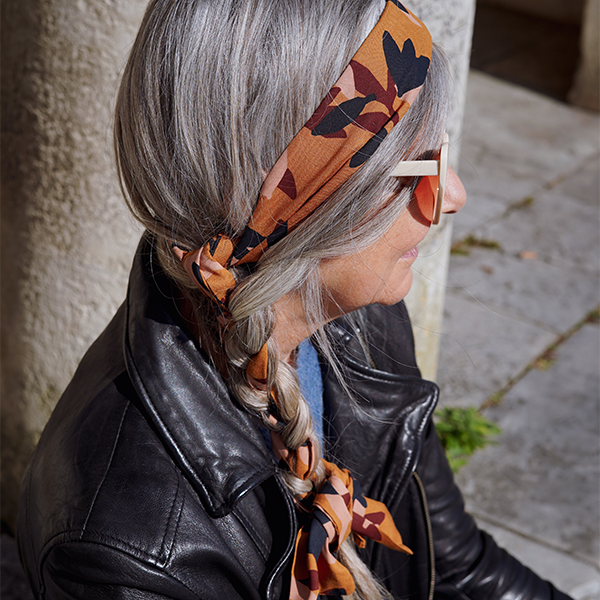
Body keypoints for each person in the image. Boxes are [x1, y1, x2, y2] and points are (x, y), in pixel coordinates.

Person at [17, 0, 573, 599]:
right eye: (420, 167)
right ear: (297, 204)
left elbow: (456, 566)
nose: (456, 194)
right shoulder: (129, 547)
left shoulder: (361, 321)